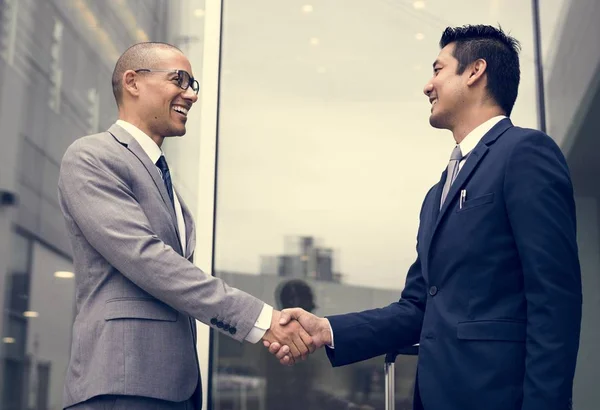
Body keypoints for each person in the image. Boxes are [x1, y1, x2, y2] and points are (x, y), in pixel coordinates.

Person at [267, 25, 582, 410]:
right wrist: (327, 330)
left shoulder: (526, 153)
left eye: (438, 69)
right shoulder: (437, 195)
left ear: (474, 71)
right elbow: (418, 307)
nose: (427, 86)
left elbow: (554, 298)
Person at [57, 42, 312, 410]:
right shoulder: (92, 156)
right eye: (180, 80)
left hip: (174, 388)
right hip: (124, 385)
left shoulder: (165, 181)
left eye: (193, 84)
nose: (190, 94)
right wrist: (261, 320)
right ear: (132, 82)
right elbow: (147, 259)